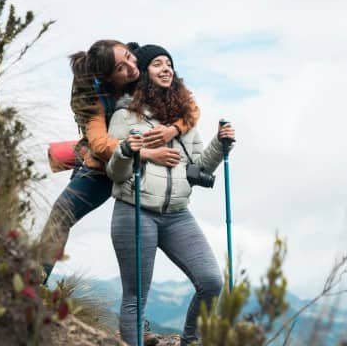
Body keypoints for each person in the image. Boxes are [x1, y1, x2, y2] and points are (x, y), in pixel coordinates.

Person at [39, 40, 200, 283]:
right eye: (121, 68)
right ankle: (33, 281)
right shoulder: (89, 94)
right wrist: (145, 153)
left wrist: (173, 130)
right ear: (108, 77)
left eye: (129, 57)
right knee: (61, 214)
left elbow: (191, 108)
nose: (131, 67)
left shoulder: (143, 64)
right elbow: (101, 145)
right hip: (105, 165)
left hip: (151, 171)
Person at [106, 44, 235, 346]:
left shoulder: (183, 121)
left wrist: (221, 144)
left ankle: (191, 341)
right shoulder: (125, 115)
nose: (166, 69)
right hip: (134, 210)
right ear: (144, 73)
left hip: (178, 214)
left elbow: (199, 166)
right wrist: (127, 151)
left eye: (169, 64)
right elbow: (116, 172)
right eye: (157, 64)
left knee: (211, 281)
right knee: (136, 295)